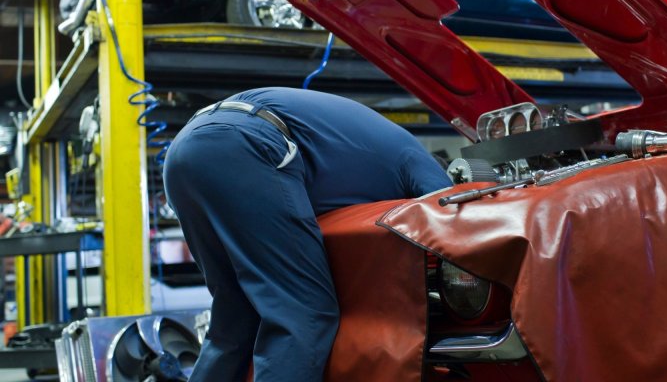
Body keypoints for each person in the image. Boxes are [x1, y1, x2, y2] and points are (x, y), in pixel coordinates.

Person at [163, 87, 452, 381]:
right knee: (303, 313)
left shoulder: (370, 156)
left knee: (235, 315)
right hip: (248, 143)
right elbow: (451, 223)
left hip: (185, 152)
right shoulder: (419, 160)